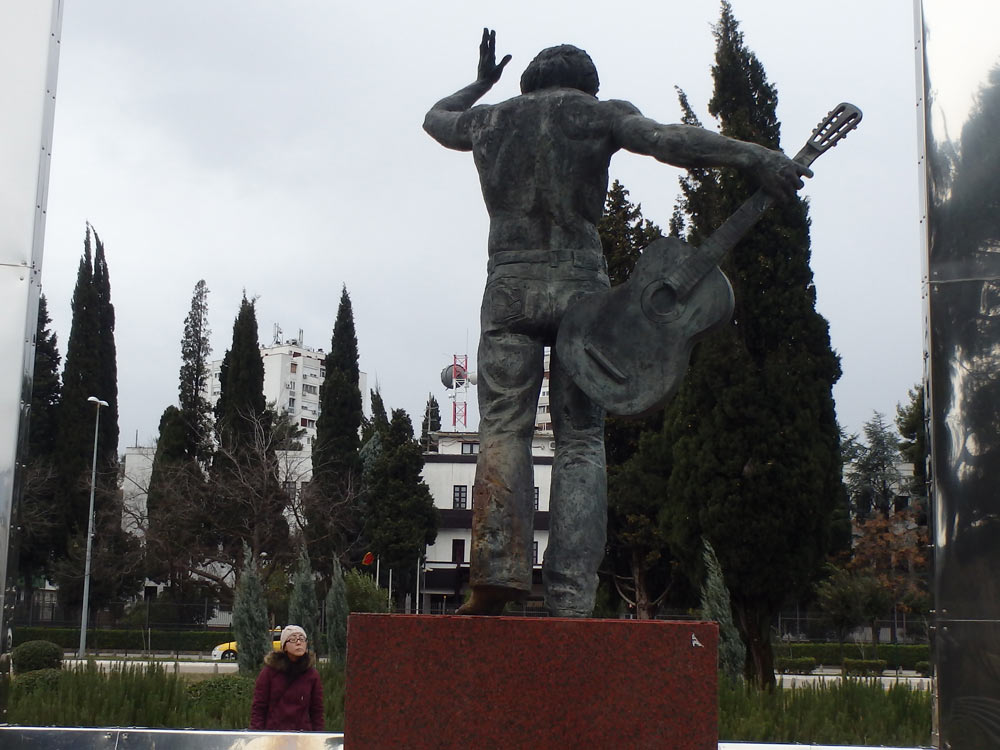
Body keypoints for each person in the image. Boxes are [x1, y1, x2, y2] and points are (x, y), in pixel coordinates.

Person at [423, 29, 810, 617]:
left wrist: (480, 84)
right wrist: (754, 155)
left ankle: (496, 572)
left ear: (529, 81)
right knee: (581, 440)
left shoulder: (489, 121)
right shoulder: (598, 114)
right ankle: (571, 596)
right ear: (586, 84)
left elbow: (435, 117)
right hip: (583, 293)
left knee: (504, 427)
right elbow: (667, 140)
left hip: (509, 286)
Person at [249, 624, 324, 732]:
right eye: (293, 639)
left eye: (302, 639)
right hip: (274, 736)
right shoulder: (269, 672)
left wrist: (318, 738)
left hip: (302, 737)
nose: (298, 642)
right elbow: (259, 707)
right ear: (284, 646)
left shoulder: (312, 675)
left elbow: (317, 710)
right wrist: (256, 735)